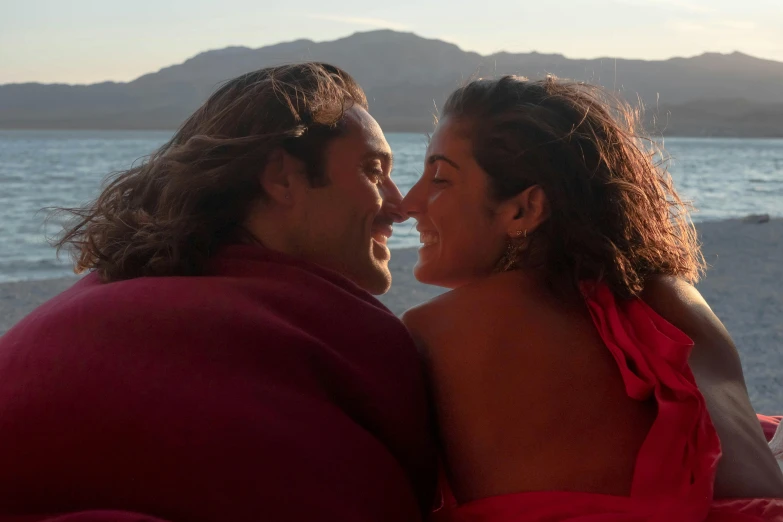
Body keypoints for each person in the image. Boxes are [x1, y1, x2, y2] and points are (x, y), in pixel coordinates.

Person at [0, 63, 437, 522]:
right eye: (373, 171)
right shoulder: (355, 339)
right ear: (283, 177)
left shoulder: (76, 309)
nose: (400, 205)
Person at [400, 75, 783, 520]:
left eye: (441, 178)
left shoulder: (437, 330)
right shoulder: (675, 299)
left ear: (524, 209)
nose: (409, 202)